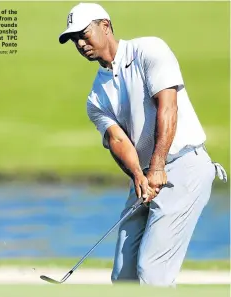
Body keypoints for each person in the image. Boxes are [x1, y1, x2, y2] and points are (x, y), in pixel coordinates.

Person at [58, 2, 227, 287]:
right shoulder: (96, 97)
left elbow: (167, 107)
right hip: (146, 174)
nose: (80, 43)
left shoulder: (149, 50)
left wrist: (158, 165)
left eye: (84, 33)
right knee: (123, 276)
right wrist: (138, 175)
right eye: (74, 38)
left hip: (183, 166)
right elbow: (117, 140)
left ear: (105, 26)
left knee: (153, 274)